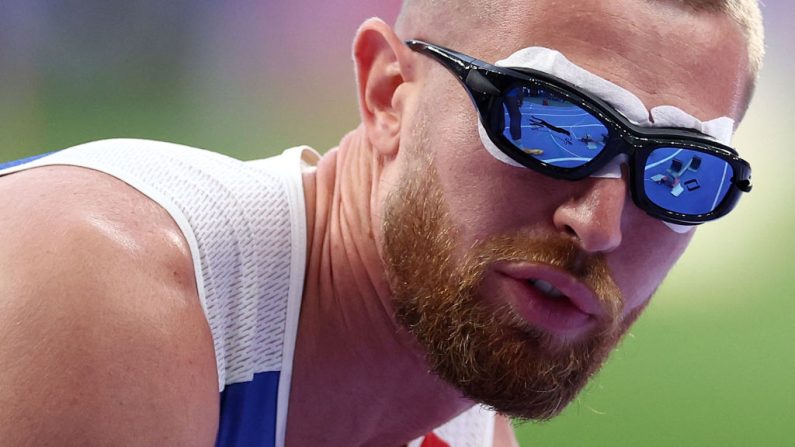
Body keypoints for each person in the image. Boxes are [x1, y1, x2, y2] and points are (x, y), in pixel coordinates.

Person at [0, 0, 764, 446]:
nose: (599, 225)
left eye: (679, 171)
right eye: (549, 122)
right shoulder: (100, 284)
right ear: (387, 91)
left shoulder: (465, 421)